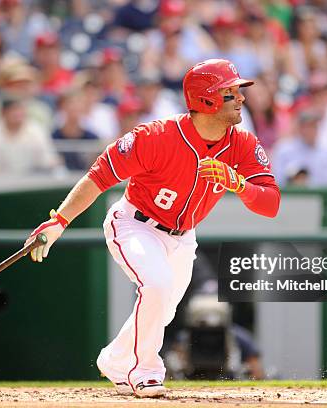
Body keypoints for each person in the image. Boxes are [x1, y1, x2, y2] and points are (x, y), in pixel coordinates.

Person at [24, 59, 280, 397]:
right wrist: (59, 221)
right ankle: (145, 371)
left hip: (183, 237)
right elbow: (99, 175)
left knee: (163, 307)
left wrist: (239, 184)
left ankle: (116, 359)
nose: (241, 98)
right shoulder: (156, 136)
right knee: (156, 286)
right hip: (135, 224)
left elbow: (271, 203)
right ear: (207, 100)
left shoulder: (243, 143)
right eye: (231, 93)